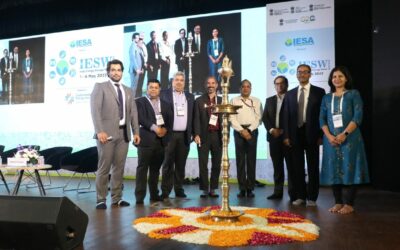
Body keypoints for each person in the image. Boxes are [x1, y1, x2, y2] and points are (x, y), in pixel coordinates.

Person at [90, 59, 141, 209]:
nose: (116, 72)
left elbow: (133, 113)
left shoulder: (128, 90)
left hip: (123, 134)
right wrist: (99, 131)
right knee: (104, 168)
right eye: (113, 70)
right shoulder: (100, 87)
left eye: (119, 70)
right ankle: (101, 199)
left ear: (122, 72)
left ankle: (117, 198)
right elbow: (95, 111)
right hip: (106, 134)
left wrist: (136, 131)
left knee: (119, 168)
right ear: (108, 72)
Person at [319, 66, 369, 214]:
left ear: (346, 78)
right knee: (334, 168)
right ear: (331, 79)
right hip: (331, 140)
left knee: (351, 168)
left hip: (351, 138)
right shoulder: (326, 97)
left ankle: (349, 203)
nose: (337, 79)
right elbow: (321, 118)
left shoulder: (353, 94)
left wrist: (344, 134)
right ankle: (338, 202)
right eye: (334, 76)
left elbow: (357, 117)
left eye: (340, 76)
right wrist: (329, 136)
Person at [282, 64, 325, 206]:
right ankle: (300, 196)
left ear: (310, 74)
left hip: (312, 134)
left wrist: (321, 135)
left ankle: (312, 197)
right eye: (299, 72)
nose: (302, 75)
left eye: (305, 72)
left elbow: (322, 115)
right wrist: (286, 136)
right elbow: (286, 117)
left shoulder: (319, 92)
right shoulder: (290, 94)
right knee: (297, 167)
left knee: (313, 167)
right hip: (295, 135)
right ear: (296, 75)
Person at [135, 79, 173, 204]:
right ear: (147, 88)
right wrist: (155, 128)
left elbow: (169, 120)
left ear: (159, 89)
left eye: (156, 87)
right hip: (146, 140)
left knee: (155, 170)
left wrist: (165, 130)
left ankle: (154, 195)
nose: (153, 89)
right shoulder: (139, 102)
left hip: (161, 141)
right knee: (142, 169)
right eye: (151, 87)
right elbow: (140, 118)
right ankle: (139, 197)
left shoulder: (166, 104)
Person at [160, 71, 194, 199]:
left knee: (181, 164)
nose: (179, 82)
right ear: (172, 81)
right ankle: (165, 190)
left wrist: (193, 133)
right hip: (169, 135)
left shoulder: (190, 97)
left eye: (181, 80)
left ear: (184, 83)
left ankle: (179, 188)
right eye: (176, 79)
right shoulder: (164, 94)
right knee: (167, 164)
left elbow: (193, 116)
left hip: (184, 135)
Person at [263, 76, 295, 201]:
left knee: (291, 166)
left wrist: (284, 131)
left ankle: (293, 194)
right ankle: (278, 192)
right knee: (277, 166)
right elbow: (265, 117)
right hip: (273, 137)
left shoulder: (292, 98)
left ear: (286, 85)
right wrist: (272, 130)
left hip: (288, 137)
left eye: (282, 83)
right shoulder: (269, 100)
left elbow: (294, 118)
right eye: (277, 84)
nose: (279, 86)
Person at [229, 79, 262, 198]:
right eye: (243, 86)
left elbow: (259, 118)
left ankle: (250, 188)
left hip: (252, 131)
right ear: (240, 88)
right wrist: (241, 130)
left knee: (251, 160)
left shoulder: (257, 101)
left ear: (251, 88)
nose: (246, 88)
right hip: (239, 132)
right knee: (240, 161)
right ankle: (242, 188)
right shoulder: (234, 100)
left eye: (248, 86)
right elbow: (232, 118)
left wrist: (249, 130)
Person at [193, 76, 222, 198]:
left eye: (213, 83)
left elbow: (227, 120)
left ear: (217, 85)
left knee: (217, 163)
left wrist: (227, 135)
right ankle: (205, 189)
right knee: (203, 163)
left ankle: (213, 188)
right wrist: (196, 134)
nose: (210, 85)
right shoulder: (199, 100)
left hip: (218, 136)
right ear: (205, 85)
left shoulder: (222, 100)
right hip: (203, 136)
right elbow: (196, 119)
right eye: (208, 83)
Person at [192, 24, 207, 94]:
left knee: (201, 75)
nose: (198, 30)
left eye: (199, 29)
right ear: (194, 29)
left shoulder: (203, 37)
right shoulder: (190, 38)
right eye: (196, 28)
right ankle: (195, 90)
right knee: (194, 74)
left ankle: (200, 90)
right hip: (193, 59)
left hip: (201, 59)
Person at [129, 32, 144, 96]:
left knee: (135, 87)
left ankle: (133, 102)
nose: (138, 39)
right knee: (133, 87)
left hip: (137, 70)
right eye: (137, 38)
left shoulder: (136, 46)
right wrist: (137, 69)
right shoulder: (133, 45)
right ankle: (131, 102)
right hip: (134, 70)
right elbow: (132, 57)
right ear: (133, 39)